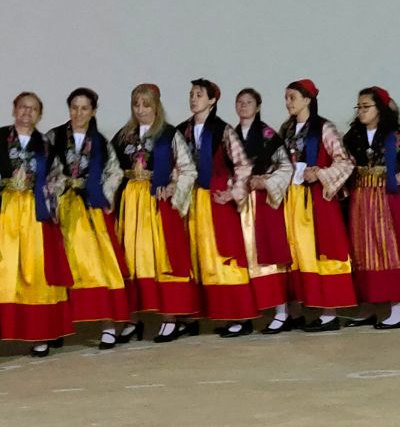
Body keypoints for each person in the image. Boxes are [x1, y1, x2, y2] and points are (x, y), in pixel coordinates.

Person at [112, 83, 200, 343]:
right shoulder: (123, 135)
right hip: (131, 203)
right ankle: (132, 319)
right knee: (131, 258)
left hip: (156, 203)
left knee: (160, 256)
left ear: (156, 106)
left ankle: (170, 317)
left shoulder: (169, 135)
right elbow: (110, 168)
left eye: (146, 105)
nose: (140, 110)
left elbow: (188, 169)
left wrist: (173, 186)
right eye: (136, 105)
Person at [47, 88, 129, 349]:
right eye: (74, 107)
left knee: (98, 265)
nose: (78, 113)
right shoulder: (54, 137)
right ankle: (56, 326)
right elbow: (43, 170)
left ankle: (108, 324)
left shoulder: (101, 142)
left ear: (93, 111)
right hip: (62, 209)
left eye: (84, 108)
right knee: (60, 266)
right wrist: (57, 189)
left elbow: (115, 172)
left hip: (90, 208)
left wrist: (103, 194)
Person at [178, 79, 258, 338]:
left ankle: (239, 315)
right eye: (191, 94)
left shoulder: (223, 130)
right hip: (191, 199)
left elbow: (243, 166)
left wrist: (233, 192)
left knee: (224, 254)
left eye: (199, 95)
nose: (193, 99)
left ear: (212, 100)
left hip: (216, 198)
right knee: (193, 255)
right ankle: (193, 315)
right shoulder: (182, 131)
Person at [342, 86, 400, 329]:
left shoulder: (398, 134)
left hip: (387, 199)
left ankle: (397, 310)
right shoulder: (353, 136)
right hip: (360, 200)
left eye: (366, 106)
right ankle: (368, 306)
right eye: (359, 107)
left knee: (389, 249)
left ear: (379, 108)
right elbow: (345, 163)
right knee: (362, 250)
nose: (361, 112)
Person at [0, 92, 73, 356]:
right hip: (5, 210)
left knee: (34, 268)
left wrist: (46, 192)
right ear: (14, 109)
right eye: (22, 107)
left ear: (39, 114)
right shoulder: (0, 137)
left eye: (33, 109)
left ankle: (38, 334)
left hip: (34, 211)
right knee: (4, 268)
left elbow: (58, 177)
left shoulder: (45, 144)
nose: (27, 113)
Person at [280, 79, 357, 331]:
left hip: (316, 201)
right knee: (295, 253)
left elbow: (345, 162)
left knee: (323, 250)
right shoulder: (286, 129)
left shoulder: (324, 128)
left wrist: (321, 173)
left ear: (307, 99)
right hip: (292, 199)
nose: (288, 102)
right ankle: (297, 310)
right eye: (287, 98)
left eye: (292, 97)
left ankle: (329, 313)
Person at [234, 88, 295, 335]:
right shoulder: (231, 135)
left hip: (263, 202)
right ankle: (245, 313)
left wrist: (267, 182)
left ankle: (281, 312)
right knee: (241, 260)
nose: (243, 106)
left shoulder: (268, 135)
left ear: (258, 106)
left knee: (268, 254)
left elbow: (285, 167)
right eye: (239, 102)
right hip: (238, 202)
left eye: (248, 102)